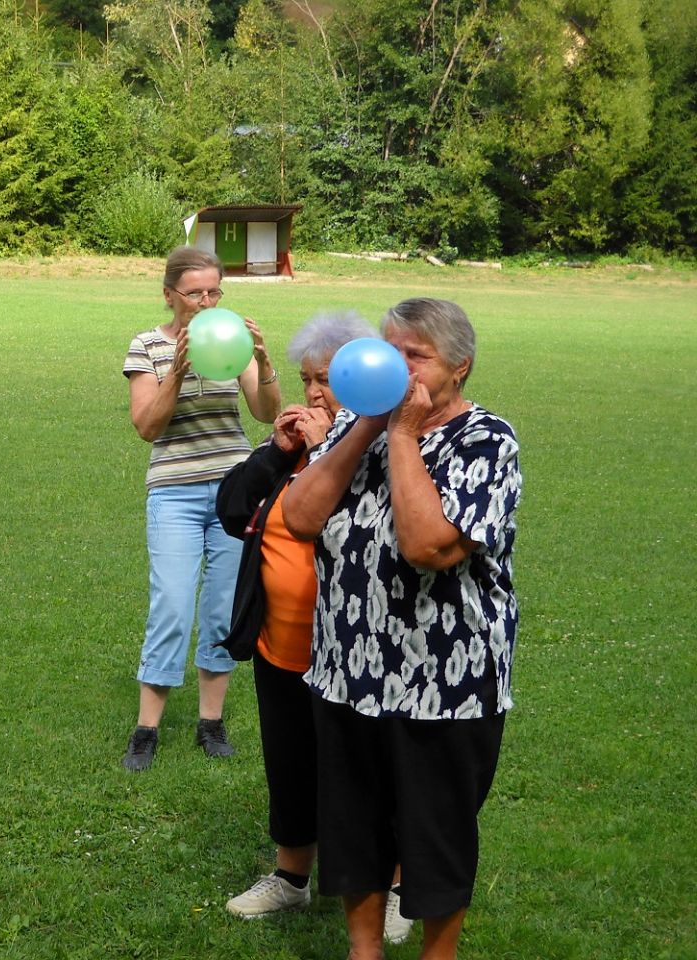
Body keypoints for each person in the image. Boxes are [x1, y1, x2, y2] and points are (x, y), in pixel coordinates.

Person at [281, 298, 522, 960]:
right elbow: (300, 518)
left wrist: (404, 437)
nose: (397, 367)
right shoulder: (355, 426)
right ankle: (364, 952)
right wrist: (367, 425)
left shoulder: (486, 441)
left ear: (459, 367)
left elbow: (426, 546)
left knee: (435, 835)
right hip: (347, 673)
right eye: (390, 352)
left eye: (416, 356)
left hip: (444, 682)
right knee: (353, 829)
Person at [120, 246, 282, 771]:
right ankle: (146, 728)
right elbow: (147, 427)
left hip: (236, 491)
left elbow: (266, 413)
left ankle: (210, 722)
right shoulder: (147, 345)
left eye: (214, 292)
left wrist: (262, 362)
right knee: (171, 603)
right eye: (195, 293)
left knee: (222, 606)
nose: (206, 302)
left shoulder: (230, 339)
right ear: (170, 295)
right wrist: (178, 369)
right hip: (175, 492)